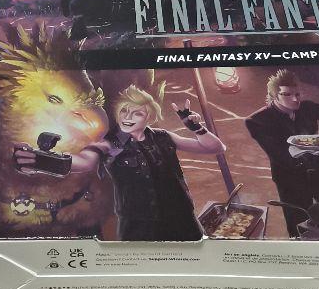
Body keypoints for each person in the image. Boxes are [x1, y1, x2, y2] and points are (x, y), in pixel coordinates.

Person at [15, 86, 224, 241]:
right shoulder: (109, 143)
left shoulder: (163, 137)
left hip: (182, 219)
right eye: (124, 111)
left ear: (149, 117)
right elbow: (85, 161)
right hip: (140, 228)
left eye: (137, 113)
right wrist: (43, 161)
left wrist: (197, 128)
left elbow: (215, 148)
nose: (128, 117)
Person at [246, 69, 319, 237]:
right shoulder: (258, 120)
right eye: (287, 94)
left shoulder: (307, 107)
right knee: (299, 227)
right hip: (291, 180)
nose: (295, 99)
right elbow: (279, 155)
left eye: (297, 94)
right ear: (273, 95)